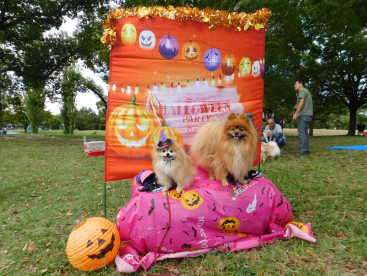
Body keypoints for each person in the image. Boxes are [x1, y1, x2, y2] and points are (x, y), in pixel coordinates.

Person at [293, 78, 313, 156]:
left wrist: (296, 113)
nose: (294, 85)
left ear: (300, 84)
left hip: (303, 115)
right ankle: (306, 151)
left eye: (296, 84)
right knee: (305, 133)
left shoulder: (302, 91)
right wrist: (297, 107)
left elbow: (301, 102)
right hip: (308, 115)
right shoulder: (306, 91)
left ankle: (302, 151)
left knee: (301, 133)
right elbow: (302, 104)